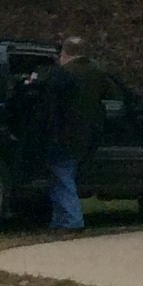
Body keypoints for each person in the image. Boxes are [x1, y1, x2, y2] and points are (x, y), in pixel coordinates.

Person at [40, 38, 101, 232]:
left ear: (65, 54)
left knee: (62, 178)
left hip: (64, 135)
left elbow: (53, 106)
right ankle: (59, 221)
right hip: (86, 135)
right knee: (63, 177)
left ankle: (73, 221)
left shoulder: (65, 75)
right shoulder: (95, 74)